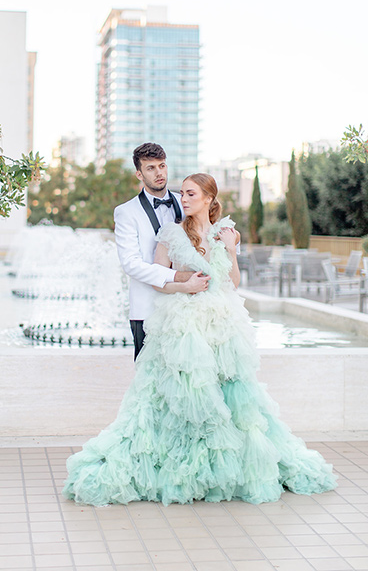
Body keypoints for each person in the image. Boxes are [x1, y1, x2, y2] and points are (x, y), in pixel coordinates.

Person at [63, 173, 337, 506]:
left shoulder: (225, 233)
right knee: (186, 395)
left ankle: (225, 469)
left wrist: (233, 250)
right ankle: (182, 468)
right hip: (184, 323)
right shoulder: (171, 234)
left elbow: (232, 282)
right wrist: (185, 286)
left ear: (209, 198)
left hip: (222, 324)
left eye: (191, 193)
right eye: (183, 193)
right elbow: (157, 280)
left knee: (233, 397)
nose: (184, 198)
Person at [114, 142, 208, 359]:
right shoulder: (126, 212)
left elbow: (207, 232)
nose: (159, 173)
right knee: (148, 381)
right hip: (147, 310)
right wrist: (179, 277)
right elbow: (131, 264)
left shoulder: (185, 201)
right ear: (139, 174)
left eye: (162, 166)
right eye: (151, 168)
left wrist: (233, 242)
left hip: (186, 309)